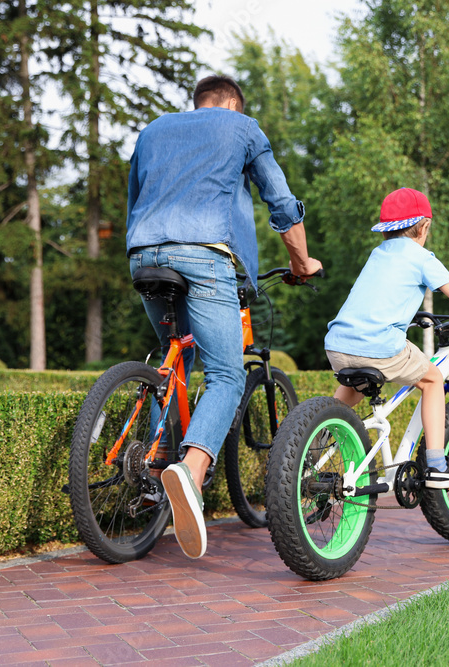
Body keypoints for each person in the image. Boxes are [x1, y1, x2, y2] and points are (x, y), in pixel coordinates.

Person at [126, 74, 322, 559]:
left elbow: (134, 200)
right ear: (233, 104)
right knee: (227, 375)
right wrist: (302, 262)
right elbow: (280, 201)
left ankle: (154, 475)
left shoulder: (153, 130)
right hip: (205, 258)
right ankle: (188, 475)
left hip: (144, 256)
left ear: (200, 103)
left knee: (173, 364)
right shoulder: (242, 127)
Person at [324, 187, 449, 488]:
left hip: (338, 344)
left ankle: (313, 441)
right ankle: (435, 465)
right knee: (432, 380)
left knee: (354, 387)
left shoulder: (377, 254)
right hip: (378, 346)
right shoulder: (422, 257)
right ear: (424, 226)